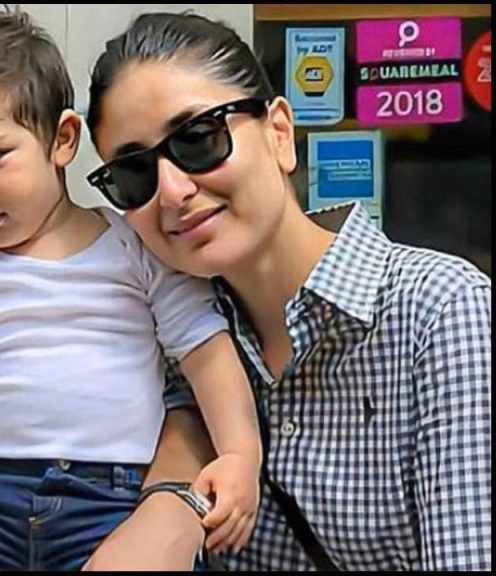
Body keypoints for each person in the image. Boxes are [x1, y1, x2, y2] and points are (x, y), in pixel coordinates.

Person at [0, 9, 261, 571]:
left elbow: (204, 348)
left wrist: (239, 454)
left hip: (114, 501)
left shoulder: (134, 243)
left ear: (62, 139)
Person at [84, 12, 491, 571]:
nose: (173, 191)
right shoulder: (166, 345)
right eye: (134, 174)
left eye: (198, 138)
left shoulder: (439, 311)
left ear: (278, 132)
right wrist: (170, 500)